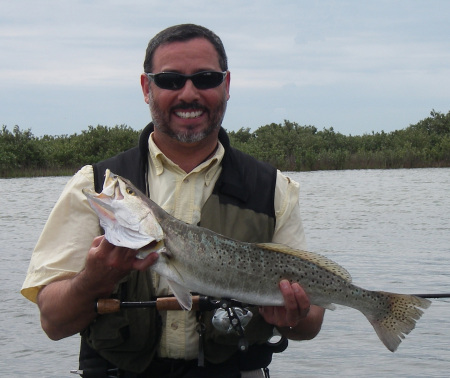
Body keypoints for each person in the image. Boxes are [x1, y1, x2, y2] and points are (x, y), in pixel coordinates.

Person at [21, 24, 324, 377]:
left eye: (206, 78)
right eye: (170, 80)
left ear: (226, 86)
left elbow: (311, 322)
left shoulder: (274, 187)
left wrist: (294, 316)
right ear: (146, 87)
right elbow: (53, 323)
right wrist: (92, 279)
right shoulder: (97, 184)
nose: (189, 93)